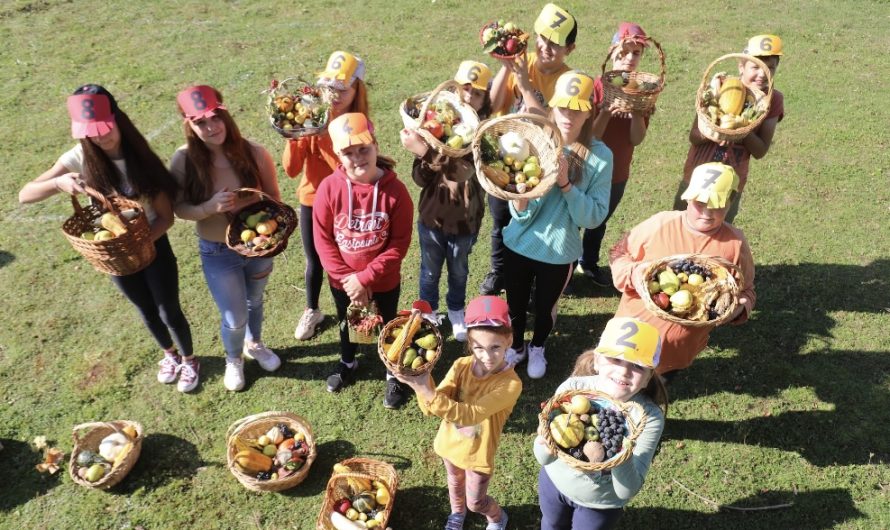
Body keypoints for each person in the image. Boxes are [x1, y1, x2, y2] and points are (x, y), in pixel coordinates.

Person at [18, 84, 197, 392]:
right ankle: (169, 355)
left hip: (153, 246)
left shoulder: (139, 158)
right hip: (113, 253)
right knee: (145, 309)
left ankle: (190, 359)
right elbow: (25, 195)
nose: (101, 137)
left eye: (105, 128)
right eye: (92, 132)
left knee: (168, 308)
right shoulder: (79, 156)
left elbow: (166, 217)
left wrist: (142, 244)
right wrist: (59, 183)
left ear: (118, 118)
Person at [501, 69, 612, 378]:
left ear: (589, 112)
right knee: (515, 303)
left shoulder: (601, 157)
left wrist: (565, 185)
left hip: (560, 252)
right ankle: (517, 347)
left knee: (546, 306)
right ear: (551, 106)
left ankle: (538, 347)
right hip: (518, 243)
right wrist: (520, 197)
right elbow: (518, 209)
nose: (568, 115)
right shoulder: (534, 141)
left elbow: (591, 217)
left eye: (577, 109)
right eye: (563, 107)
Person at [170, 85, 282, 391]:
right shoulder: (183, 161)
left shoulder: (254, 152)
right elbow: (179, 208)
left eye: (215, 117)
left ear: (225, 115)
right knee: (234, 316)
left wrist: (268, 230)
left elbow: (274, 197)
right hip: (218, 251)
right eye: (201, 122)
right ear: (189, 125)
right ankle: (234, 358)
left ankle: (254, 344)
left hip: (259, 246)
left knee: (255, 299)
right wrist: (209, 207)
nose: (211, 127)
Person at [611, 162, 756, 378]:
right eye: (700, 202)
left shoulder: (735, 243)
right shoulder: (660, 224)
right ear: (687, 197)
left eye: (717, 205)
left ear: (731, 201)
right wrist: (634, 272)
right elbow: (618, 254)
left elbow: (747, 291)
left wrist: (737, 309)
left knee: (654, 396)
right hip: (626, 342)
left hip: (675, 354)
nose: (707, 212)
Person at [312, 113, 414, 408]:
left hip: (383, 280)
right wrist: (349, 280)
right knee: (348, 323)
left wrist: (365, 278)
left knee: (388, 323)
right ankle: (348, 360)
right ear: (337, 155)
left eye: (363, 149)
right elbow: (323, 240)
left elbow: (398, 245)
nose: (357, 158)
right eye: (348, 152)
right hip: (341, 281)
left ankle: (392, 372)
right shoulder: (329, 188)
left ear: (375, 145)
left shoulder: (396, 192)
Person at [394, 295, 521, 530]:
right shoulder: (461, 365)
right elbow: (431, 408)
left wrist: (426, 391)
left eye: (495, 347)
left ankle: (496, 517)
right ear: (469, 344)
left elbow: (470, 415)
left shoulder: (510, 384)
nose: (487, 356)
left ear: (509, 340)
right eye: (478, 347)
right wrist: (422, 381)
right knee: (453, 481)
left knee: (476, 501)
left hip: (477, 455)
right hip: (449, 444)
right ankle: (456, 512)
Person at [482, 2, 578, 296]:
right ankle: (499, 272)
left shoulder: (567, 81)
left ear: (569, 50)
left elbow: (555, 128)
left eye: (556, 44)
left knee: (531, 222)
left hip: (540, 164)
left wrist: (525, 87)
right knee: (501, 220)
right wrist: (505, 68)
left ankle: (532, 275)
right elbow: (495, 105)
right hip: (504, 157)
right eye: (543, 39)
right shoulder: (525, 60)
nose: (546, 47)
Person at [534, 317, 667, 530]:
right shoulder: (573, 389)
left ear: (648, 377)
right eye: (615, 359)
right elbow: (543, 457)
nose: (624, 371)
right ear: (597, 361)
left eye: (637, 366)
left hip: (601, 504)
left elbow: (627, 490)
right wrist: (547, 438)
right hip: (554, 483)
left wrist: (620, 453)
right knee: (551, 524)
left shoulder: (648, 418)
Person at [399, 61, 492, 342]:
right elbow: (419, 177)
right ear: (453, 91)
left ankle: (455, 309)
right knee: (428, 271)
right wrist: (425, 154)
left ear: (485, 100)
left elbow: (462, 170)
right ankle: (428, 311)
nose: (469, 97)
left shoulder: (483, 136)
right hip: (432, 218)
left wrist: (428, 154)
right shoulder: (436, 128)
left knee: (459, 270)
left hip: (466, 221)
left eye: (477, 94)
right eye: (465, 90)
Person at [282, 50, 370, 341]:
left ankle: (358, 309)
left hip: (345, 204)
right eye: (328, 86)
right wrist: (297, 135)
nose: (333, 94)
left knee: (350, 259)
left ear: (357, 89)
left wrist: (322, 136)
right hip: (311, 202)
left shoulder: (359, 125)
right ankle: (312, 309)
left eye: (341, 88)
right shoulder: (310, 117)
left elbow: (349, 173)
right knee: (314, 260)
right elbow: (292, 170)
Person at [672, 34, 786, 224]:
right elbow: (694, 136)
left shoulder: (773, 100)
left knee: (717, 232)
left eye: (769, 68)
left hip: (731, 182)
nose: (761, 74)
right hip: (698, 173)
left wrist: (742, 130)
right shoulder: (721, 87)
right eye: (755, 66)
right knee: (680, 224)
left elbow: (760, 151)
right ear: (741, 67)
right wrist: (716, 132)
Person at [578, 23, 653, 287]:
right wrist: (607, 110)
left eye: (636, 53)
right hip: (587, 167)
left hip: (617, 172)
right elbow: (591, 137)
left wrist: (635, 111)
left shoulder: (644, 91)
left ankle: (587, 262)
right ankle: (563, 264)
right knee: (573, 218)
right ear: (612, 53)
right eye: (625, 52)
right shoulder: (597, 87)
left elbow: (636, 139)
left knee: (598, 220)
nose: (630, 59)